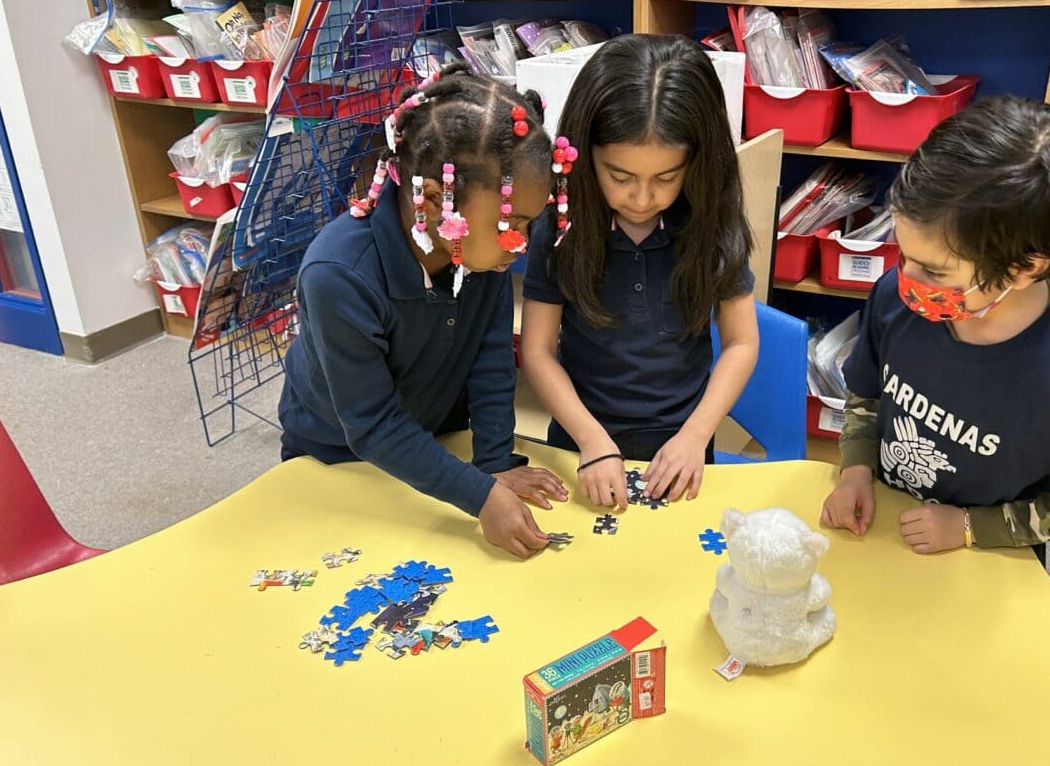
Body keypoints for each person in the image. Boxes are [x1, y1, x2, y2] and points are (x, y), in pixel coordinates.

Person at [819, 95, 1050, 560]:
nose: (906, 278)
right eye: (903, 253)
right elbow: (866, 394)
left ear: (1022, 268)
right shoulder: (896, 299)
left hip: (987, 557)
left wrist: (974, 527)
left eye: (935, 271)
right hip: (884, 532)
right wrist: (856, 469)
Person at [278, 64, 567, 559]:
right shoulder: (337, 274)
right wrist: (479, 495)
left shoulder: (480, 252)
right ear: (436, 199)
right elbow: (371, 424)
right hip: (337, 457)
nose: (521, 242)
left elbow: (491, 357)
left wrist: (494, 462)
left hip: (433, 442)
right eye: (513, 222)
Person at [521, 34, 759, 510]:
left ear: (698, 164)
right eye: (620, 176)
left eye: (667, 178)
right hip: (580, 441)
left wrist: (696, 435)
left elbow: (741, 342)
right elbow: (538, 349)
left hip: (683, 448)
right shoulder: (560, 222)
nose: (642, 198)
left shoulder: (712, 223)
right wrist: (590, 440)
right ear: (584, 155)